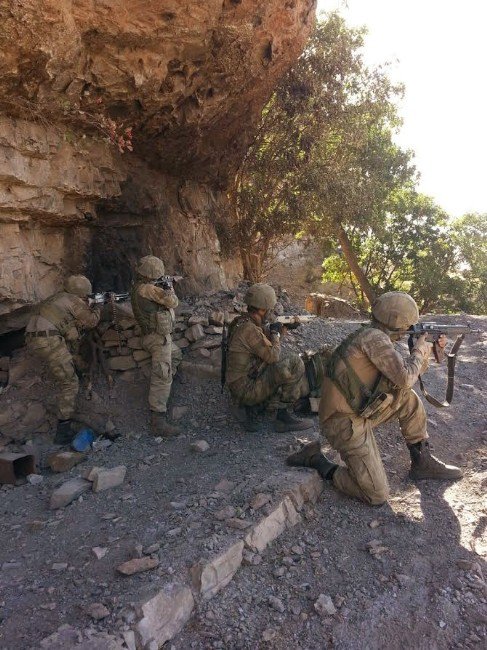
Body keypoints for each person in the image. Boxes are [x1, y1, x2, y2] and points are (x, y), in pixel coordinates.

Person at [287, 291, 462, 505]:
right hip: (342, 422)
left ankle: (422, 460)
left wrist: (432, 351)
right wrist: (418, 352)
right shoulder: (374, 339)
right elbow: (406, 377)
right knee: (376, 495)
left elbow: (403, 379)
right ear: (398, 321)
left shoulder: (376, 335)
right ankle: (317, 460)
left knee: (407, 398)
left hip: (359, 410)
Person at [226, 283, 313, 433]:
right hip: (245, 390)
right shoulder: (249, 329)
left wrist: (284, 329)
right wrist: (276, 334)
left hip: (239, 384)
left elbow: (261, 341)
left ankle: (254, 408)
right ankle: (283, 417)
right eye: (269, 309)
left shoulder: (241, 323)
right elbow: (273, 356)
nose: (270, 312)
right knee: (294, 362)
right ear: (262, 309)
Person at [25, 275, 101, 443]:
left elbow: (69, 329)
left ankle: (78, 369)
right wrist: (97, 307)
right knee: (69, 383)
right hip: (48, 341)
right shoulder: (73, 300)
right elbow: (91, 322)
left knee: (70, 358)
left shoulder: (56, 298)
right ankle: (63, 429)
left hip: (34, 339)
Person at [130, 255, 180, 437]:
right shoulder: (148, 289)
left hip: (152, 336)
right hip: (157, 339)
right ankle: (158, 420)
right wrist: (169, 288)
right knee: (162, 375)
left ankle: (166, 387)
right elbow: (173, 302)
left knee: (176, 355)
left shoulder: (138, 288)